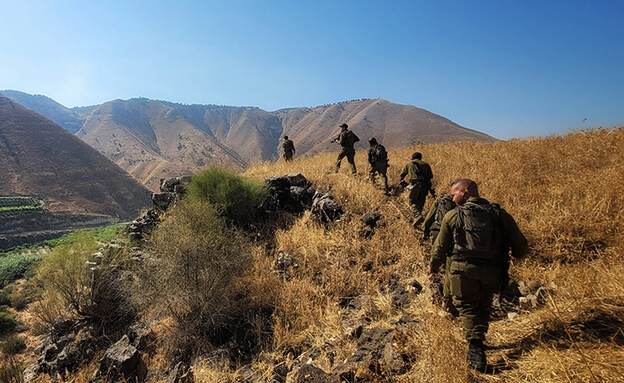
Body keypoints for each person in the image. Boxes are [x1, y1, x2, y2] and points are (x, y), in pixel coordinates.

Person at [429, 179, 528, 371]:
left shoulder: (452, 215)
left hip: (462, 272)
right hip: (493, 272)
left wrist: (434, 265)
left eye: (454, 193)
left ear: (464, 193)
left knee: (467, 307)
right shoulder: (498, 214)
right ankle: (479, 338)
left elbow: (440, 247)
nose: (452, 197)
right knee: (484, 304)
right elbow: (520, 244)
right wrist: (516, 253)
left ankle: (475, 349)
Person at [422, 184, 458, 313]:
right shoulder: (463, 203)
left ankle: (443, 291)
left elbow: (430, 216)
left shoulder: (441, 200)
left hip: (437, 230)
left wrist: (424, 230)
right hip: (454, 234)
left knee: (439, 256)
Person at [399, 152, 433, 226]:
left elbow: (402, 175)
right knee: (421, 201)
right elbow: (431, 176)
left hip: (415, 185)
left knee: (412, 201)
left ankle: (417, 216)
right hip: (425, 185)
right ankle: (418, 219)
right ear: (421, 158)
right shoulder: (426, 164)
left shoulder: (409, 164)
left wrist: (401, 183)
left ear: (412, 157)